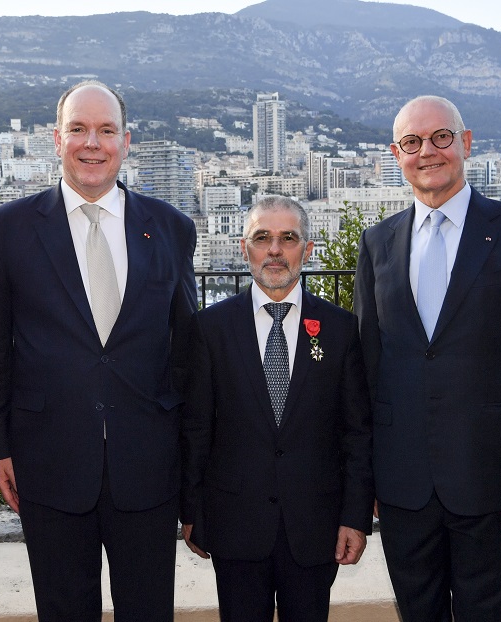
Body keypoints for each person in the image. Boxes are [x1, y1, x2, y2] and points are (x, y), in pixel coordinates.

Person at [0, 80, 197, 621]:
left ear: (126, 141)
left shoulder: (172, 228)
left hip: (148, 463)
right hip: (48, 463)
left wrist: (194, 455)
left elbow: (188, 351)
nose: (92, 143)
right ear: (56, 139)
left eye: (106, 130)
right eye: (78, 129)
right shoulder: (8, 229)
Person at [353, 95, 501, 621]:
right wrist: (366, 480)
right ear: (396, 155)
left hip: (493, 480)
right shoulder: (377, 242)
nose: (426, 151)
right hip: (403, 485)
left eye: (441, 137)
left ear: (466, 143)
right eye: (411, 142)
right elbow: (367, 367)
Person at [181, 196, 374, 622]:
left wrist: (355, 517)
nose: (274, 250)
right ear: (243, 248)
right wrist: (192, 512)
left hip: (316, 527)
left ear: (308, 249)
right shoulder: (211, 328)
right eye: (261, 238)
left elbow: (357, 432)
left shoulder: (340, 329)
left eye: (288, 238)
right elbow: (196, 428)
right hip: (234, 525)